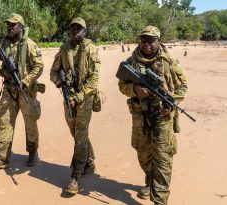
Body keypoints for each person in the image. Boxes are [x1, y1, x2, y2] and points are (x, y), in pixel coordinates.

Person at [118, 26, 188, 205]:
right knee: (142, 153)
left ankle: (160, 199)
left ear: (159, 41)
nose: (147, 44)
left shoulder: (169, 61)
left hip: (162, 116)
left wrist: (171, 105)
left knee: (163, 158)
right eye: (143, 40)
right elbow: (122, 85)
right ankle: (150, 179)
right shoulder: (131, 61)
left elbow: (182, 87)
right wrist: (135, 89)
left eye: (151, 40)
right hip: (139, 116)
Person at [0, 13, 44, 171]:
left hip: (26, 91)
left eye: (13, 25)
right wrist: (1, 71)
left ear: (21, 27)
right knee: (4, 123)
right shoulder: (3, 44)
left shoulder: (30, 45)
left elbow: (39, 67)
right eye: (8, 25)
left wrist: (25, 81)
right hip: (9, 90)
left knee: (30, 123)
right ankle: (1, 158)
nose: (10, 27)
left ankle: (32, 152)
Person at [50, 17, 101, 194]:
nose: (76, 31)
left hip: (85, 98)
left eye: (79, 28)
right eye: (73, 28)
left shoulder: (91, 49)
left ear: (85, 31)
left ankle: (75, 175)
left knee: (80, 135)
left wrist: (78, 96)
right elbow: (53, 72)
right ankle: (90, 160)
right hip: (68, 96)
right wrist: (60, 84)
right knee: (77, 132)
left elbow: (94, 78)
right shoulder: (64, 49)